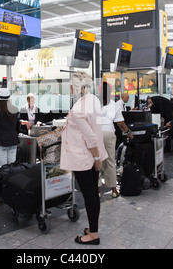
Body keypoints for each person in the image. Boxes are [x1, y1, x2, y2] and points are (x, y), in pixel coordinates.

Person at [60, 71, 107, 245]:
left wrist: (96, 158)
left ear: (75, 86)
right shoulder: (93, 100)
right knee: (93, 193)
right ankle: (93, 227)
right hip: (92, 155)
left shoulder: (78, 108)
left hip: (84, 157)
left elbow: (90, 137)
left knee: (89, 195)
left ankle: (93, 234)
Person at [98, 82, 133, 198]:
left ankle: (97, 191)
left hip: (96, 134)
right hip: (109, 133)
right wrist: (128, 133)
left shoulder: (94, 103)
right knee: (110, 162)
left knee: (97, 161)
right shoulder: (114, 104)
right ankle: (113, 190)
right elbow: (120, 123)